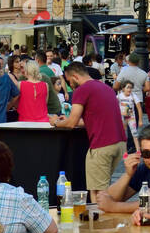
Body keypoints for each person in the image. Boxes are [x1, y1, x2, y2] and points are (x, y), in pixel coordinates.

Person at [49, 61, 126, 201]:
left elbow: (71, 123)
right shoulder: (105, 87)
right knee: (103, 187)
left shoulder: (82, 90)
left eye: (69, 81)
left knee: (97, 194)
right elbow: (90, 119)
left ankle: (99, 222)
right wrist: (67, 119)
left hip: (101, 145)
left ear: (75, 76)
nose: (69, 85)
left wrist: (56, 122)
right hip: (119, 143)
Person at [95, 125, 150, 215]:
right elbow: (109, 198)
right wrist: (128, 175)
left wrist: (114, 207)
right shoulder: (143, 168)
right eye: (146, 153)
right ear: (140, 153)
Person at [117, 79, 142, 149]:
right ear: (123, 88)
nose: (130, 89)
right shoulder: (119, 96)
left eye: (131, 87)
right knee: (123, 135)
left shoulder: (133, 96)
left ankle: (138, 150)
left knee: (135, 134)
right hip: (122, 118)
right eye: (128, 87)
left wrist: (140, 120)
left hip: (131, 118)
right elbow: (114, 106)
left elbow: (139, 108)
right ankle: (124, 151)